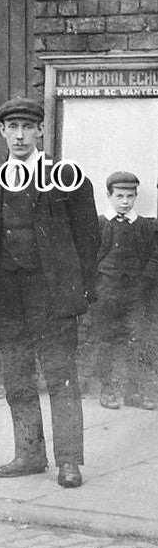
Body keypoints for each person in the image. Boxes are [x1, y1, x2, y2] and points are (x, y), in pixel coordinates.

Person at [0, 96, 98, 489]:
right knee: (17, 374)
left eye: (27, 127)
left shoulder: (67, 176)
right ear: (1, 132)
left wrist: (80, 292)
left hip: (51, 293)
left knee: (61, 374)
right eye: (12, 128)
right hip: (8, 292)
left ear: (41, 131)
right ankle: (29, 454)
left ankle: (68, 461)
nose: (19, 135)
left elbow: (88, 239)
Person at [93, 171, 158, 410]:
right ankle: (106, 389)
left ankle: (134, 391)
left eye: (130, 196)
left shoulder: (144, 226)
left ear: (135, 197)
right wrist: (95, 285)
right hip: (105, 293)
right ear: (108, 196)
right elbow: (90, 256)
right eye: (119, 195)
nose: (124, 201)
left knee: (135, 340)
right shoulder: (100, 224)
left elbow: (154, 256)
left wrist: (144, 281)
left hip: (135, 293)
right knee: (105, 341)